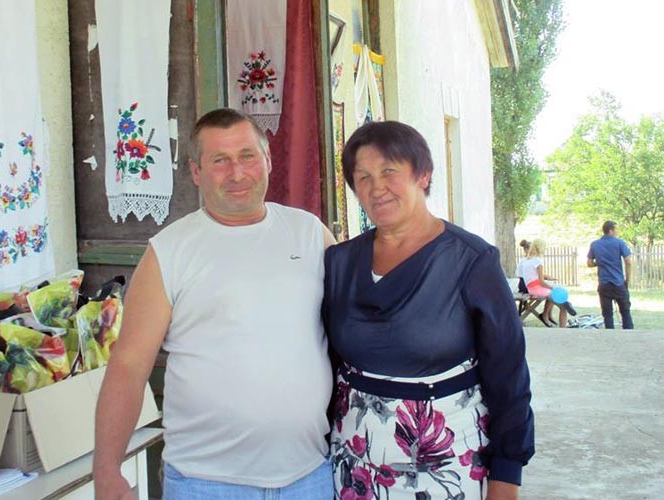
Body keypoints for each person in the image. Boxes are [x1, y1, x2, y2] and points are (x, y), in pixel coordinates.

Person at [93, 108, 336, 500]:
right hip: (204, 482)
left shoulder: (309, 234)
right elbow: (129, 365)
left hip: (308, 477)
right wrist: (107, 469)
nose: (237, 173)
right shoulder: (169, 252)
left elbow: (353, 330)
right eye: (220, 161)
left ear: (268, 160)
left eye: (247, 156)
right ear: (195, 172)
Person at [324, 121, 534, 500]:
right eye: (363, 177)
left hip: (448, 460)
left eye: (389, 171)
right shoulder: (339, 262)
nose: (376, 187)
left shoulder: (471, 260)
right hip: (354, 459)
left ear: (423, 175)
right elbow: (327, 361)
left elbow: (509, 373)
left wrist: (507, 473)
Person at [587, 220, 634, 329]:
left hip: (604, 284)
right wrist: (627, 280)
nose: (617, 231)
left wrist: (599, 263)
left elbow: (589, 263)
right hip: (618, 283)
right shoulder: (619, 243)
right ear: (611, 230)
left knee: (607, 314)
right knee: (625, 312)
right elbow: (628, 262)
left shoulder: (595, 244)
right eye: (616, 229)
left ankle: (609, 335)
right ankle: (629, 334)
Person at [517, 239, 568, 327]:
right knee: (564, 307)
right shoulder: (538, 261)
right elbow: (542, 282)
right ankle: (563, 330)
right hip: (537, 289)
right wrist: (553, 288)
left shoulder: (526, 260)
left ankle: (546, 315)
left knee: (554, 295)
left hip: (530, 288)